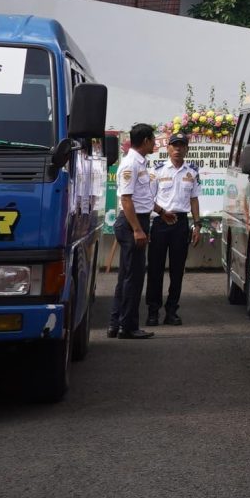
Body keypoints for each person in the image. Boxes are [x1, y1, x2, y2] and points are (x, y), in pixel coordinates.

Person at [109, 123, 159, 340]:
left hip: (137, 220)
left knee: (126, 277)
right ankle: (128, 326)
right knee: (134, 277)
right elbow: (127, 200)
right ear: (146, 141)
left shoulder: (139, 162)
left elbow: (141, 197)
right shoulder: (131, 164)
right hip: (132, 223)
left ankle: (116, 324)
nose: (155, 143)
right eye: (153, 139)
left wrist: (162, 211)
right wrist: (138, 230)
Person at [148, 133, 202, 327]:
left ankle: (172, 311)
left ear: (187, 149)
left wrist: (197, 225)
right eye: (174, 145)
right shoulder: (158, 171)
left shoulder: (192, 172)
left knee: (177, 271)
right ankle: (153, 311)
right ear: (168, 149)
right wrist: (161, 213)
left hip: (180, 223)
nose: (178, 149)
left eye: (181, 145)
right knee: (155, 269)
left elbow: (194, 199)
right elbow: (148, 199)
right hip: (161, 222)